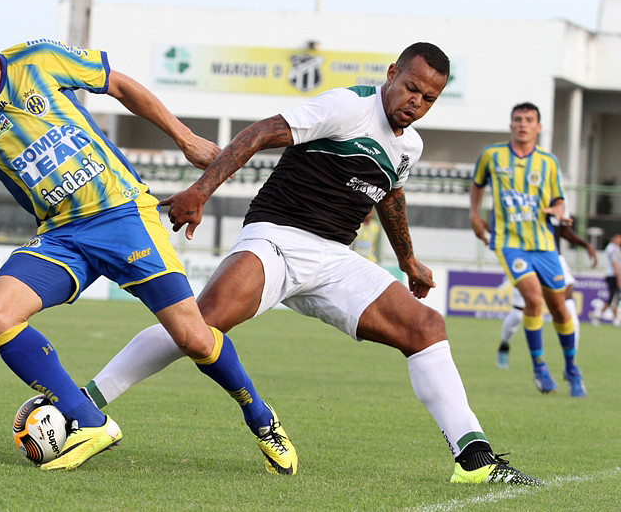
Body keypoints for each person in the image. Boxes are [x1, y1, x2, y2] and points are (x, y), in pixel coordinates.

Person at [0, 4, 296, 474]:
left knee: (193, 337)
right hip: (62, 236)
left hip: (124, 214)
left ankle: (260, 416)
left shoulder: (39, 60)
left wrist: (184, 138)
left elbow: (120, 84)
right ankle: (90, 421)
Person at [82, 43, 542, 485]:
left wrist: (408, 259)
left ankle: (474, 458)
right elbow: (260, 132)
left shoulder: (410, 147)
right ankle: (86, 405)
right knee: (198, 326)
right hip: (277, 239)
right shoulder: (346, 107)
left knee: (426, 327)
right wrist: (200, 191)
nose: (416, 102)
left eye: (429, 98)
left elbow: (391, 196)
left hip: (335, 260)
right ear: (392, 74)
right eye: (411, 88)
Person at [470, 102, 585, 397]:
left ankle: (571, 367)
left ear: (538, 127)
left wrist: (558, 211)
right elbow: (477, 183)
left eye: (529, 120)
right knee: (533, 300)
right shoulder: (491, 154)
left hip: (545, 245)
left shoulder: (548, 162)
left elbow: (559, 199)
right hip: (509, 243)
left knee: (560, 309)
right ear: (511, 125)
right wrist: (474, 214)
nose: (523, 124)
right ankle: (539, 367)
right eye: (518, 119)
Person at [496, 207, 597, 368]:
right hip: (524, 255)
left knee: (568, 305)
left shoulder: (559, 196)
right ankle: (504, 345)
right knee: (517, 315)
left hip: (553, 257)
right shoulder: (521, 191)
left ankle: (571, 362)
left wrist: (585, 245)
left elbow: (563, 230)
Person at [591, 233, 621, 326]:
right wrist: (619, 278)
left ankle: (615, 319)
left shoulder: (611, 248)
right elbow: (615, 264)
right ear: (614, 238)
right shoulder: (613, 249)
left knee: (615, 298)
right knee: (613, 297)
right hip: (613, 276)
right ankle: (597, 314)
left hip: (611, 275)